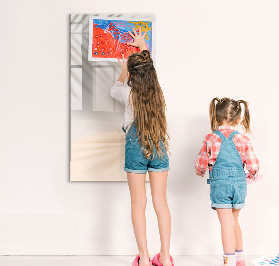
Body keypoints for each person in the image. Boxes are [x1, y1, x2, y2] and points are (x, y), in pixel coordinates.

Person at [110, 28, 174, 266]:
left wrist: (123, 70)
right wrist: (143, 46)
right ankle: (165, 258)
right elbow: (149, 70)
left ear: (132, 77)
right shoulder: (158, 93)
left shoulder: (128, 94)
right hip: (158, 147)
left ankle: (145, 259)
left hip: (136, 148)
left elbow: (113, 89)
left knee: (138, 203)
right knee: (161, 202)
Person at [195, 98, 260, 266]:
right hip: (239, 185)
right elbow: (253, 165)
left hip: (220, 186)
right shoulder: (243, 139)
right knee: (234, 222)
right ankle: (240, 260)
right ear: (238, 120)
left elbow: (200, 164)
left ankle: (229, 261)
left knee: (226, 224)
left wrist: (200, 171)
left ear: (216, 117)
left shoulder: (210, 138)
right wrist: (252, 176)